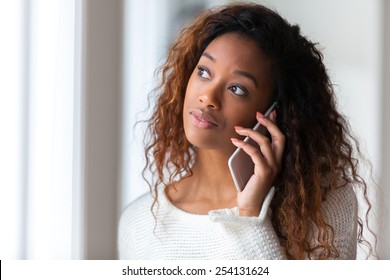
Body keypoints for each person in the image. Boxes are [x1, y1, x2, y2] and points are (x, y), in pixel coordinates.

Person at [118, 2, 376, 260]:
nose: (208, 97)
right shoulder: (139, 224)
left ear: (274, 112)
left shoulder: (322, 205)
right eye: (204, 72)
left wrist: (251, 215)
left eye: (237, 89)